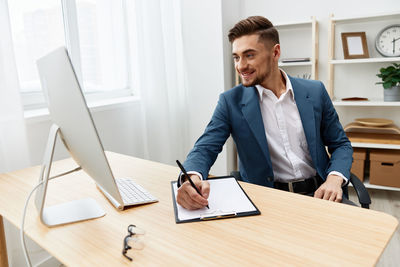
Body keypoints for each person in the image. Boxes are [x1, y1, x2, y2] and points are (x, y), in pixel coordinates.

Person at [177, 16, 353, 210]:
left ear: (275, 52)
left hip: (319, 194)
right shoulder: (230, 101)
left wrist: (334, 179)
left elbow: (340, 144)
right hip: (265, 199)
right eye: (236, 57)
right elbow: (205, 147)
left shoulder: (315, 91)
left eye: (249, 55)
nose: (240, 66)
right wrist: (191, 177)